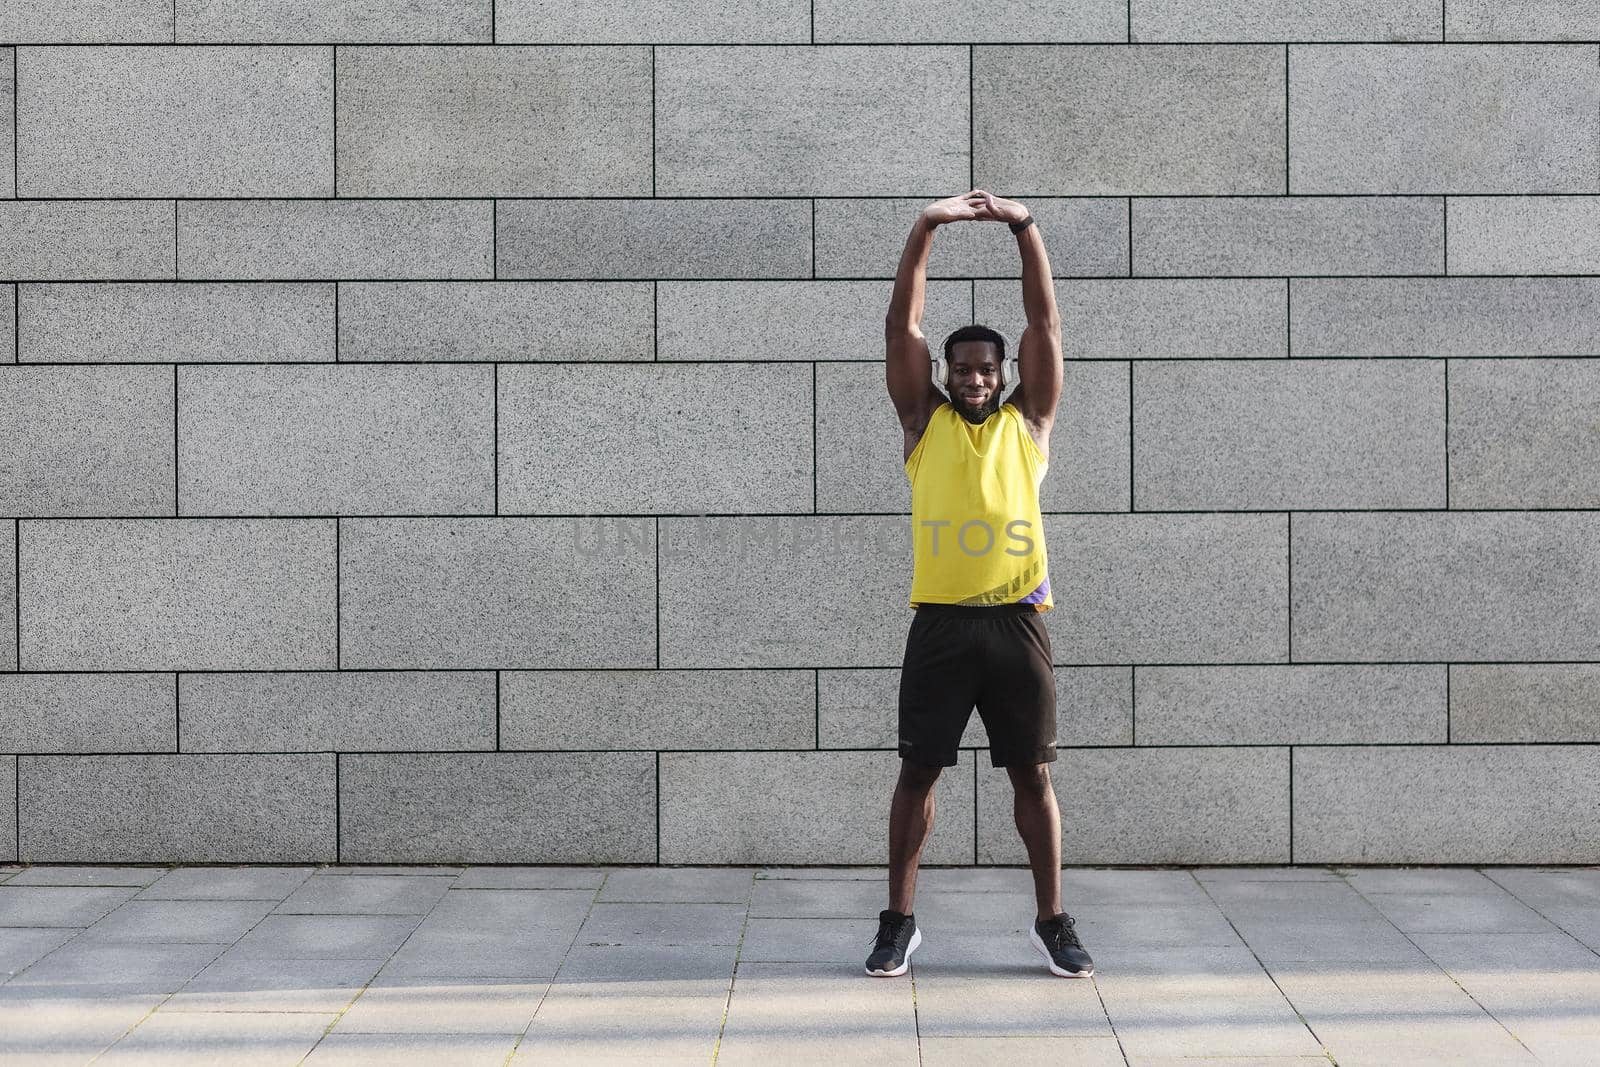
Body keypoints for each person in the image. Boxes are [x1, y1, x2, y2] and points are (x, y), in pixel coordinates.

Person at [865, 189, 1094, 980]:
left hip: (1016, 621)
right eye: (959, 369)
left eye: (984, 369)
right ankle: (898, 922)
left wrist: (1024, 228)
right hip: (939, 623)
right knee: (917, 773)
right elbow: (903, 328)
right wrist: (925, 226)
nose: (971, 378)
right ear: (946, 373)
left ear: (1002, 374)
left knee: (1033, 775)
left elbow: (1047, 327)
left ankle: (1053, 921)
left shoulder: (1027, 424)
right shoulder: (920, 423)